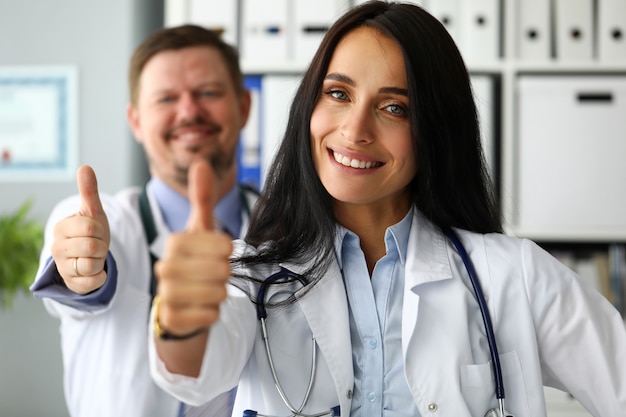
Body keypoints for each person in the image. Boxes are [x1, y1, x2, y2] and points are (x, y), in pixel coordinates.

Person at [148, 2, 626, 417]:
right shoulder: (251, 276)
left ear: (435, 130)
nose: (355, 129)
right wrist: (182, 320)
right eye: (338, 94)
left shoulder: (512, 277)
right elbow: (194, 371)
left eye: (394, 107)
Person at [30, 25, 255, 417]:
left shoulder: (294, 230)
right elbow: (76, 262)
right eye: (166, 98)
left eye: (208, 93)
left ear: (245, 107)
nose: (188, 111)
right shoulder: (111, 225)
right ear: (135, 121)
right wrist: (82, 263)